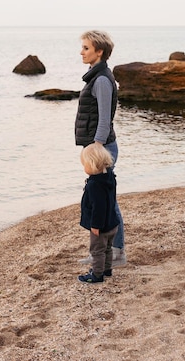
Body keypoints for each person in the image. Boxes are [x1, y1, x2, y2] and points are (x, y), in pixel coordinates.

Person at [75, 30, 127, 267]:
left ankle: (116, 253)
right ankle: (103, 254)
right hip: (97, 145)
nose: (82, 52)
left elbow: (105, 119)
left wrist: (96, 147)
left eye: (86, 48)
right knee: (101, 201)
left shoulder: (103, 80)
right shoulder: (95, 76)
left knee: (106, 202)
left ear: (100, 52)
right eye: (82, 47)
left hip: (102, 146)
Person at [77, 143, 119, 283]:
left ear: (92, 164)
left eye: (85, 165)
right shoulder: (109, 177)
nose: (84, 168)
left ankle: (97, 275)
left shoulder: (94, 185)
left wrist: (95, 225)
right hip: (112, 222)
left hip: (101, 226)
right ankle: (106, 270)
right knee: (107, 248)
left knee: (97, 250)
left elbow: (98, 208)